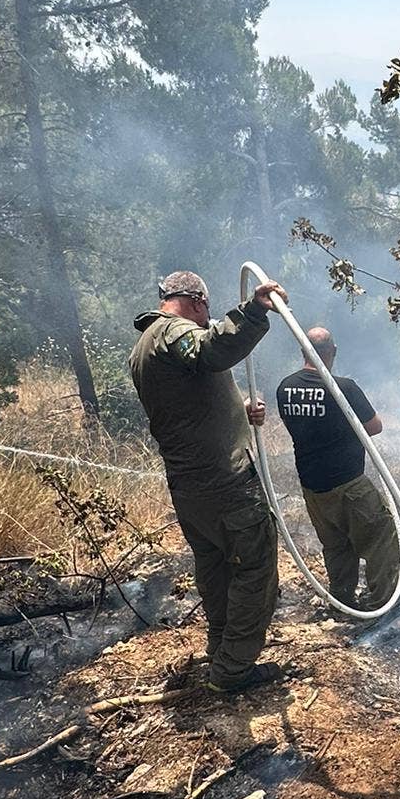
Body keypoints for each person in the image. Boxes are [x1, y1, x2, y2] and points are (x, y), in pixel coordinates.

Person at [129, 269, 285, 693]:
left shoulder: (144, 348)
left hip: (190, 488)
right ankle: (233, 669)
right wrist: (253, 312)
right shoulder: (172, 332)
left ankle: (220, 653)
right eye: (206, 310)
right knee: (256, 570)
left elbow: (189, 404)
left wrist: (240, 411)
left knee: (215, 571)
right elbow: (212, 351)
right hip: (224, 484)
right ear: (197, 301)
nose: (205, 317)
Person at [275, 327, 399, 613]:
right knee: (381, 535)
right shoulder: (344, 387)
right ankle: (381, 602)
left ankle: (342, 600)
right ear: (332, 352)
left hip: (312, 486)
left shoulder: (285, 387)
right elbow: (374, 427)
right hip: (348, 482)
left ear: (303, 351)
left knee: (336, 545)